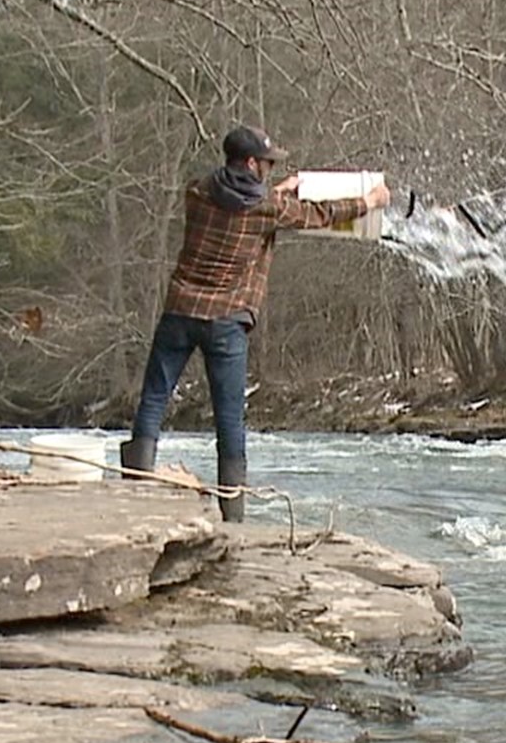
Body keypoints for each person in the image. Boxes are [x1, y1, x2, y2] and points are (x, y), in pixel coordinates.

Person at [121, 125, 391, 522]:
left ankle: (134, 489)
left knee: (155, 399)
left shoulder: (196, 192)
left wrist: (278, 190)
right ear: (250, 163)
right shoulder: (266, 207)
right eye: (266, 162)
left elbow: (237, 204)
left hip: (180, 310)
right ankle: (233, 518)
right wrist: (369, 200)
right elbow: (320, 215)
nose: (269, 167)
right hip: (226, 322)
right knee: (229, 419)